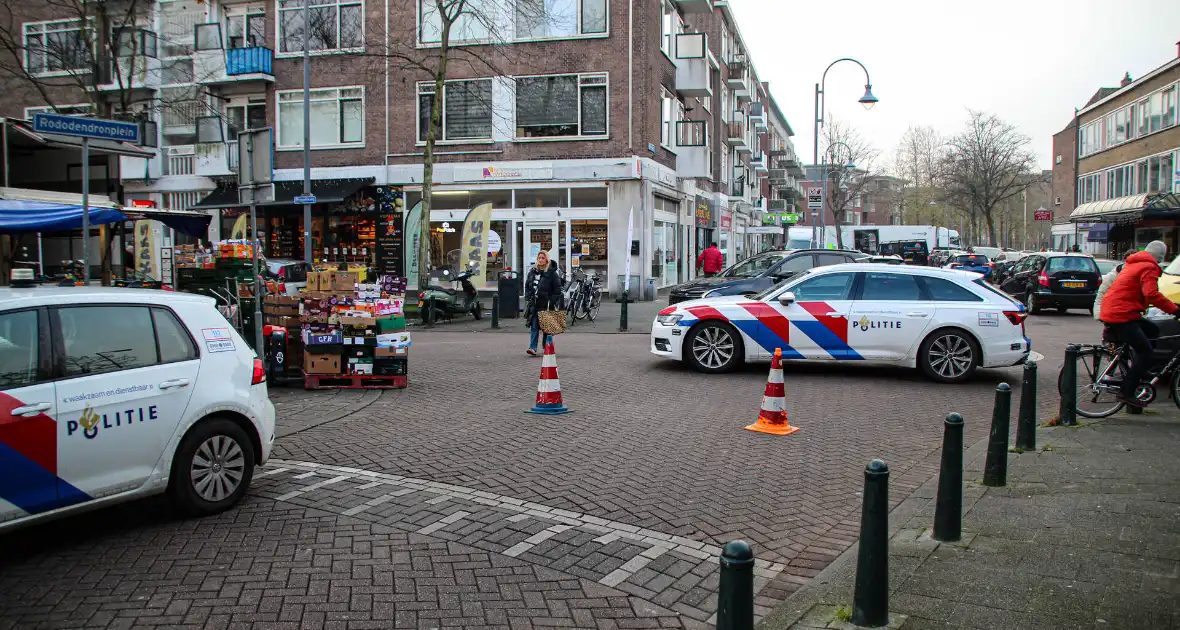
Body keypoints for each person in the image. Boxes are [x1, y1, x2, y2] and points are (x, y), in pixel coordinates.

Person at [1098, 241, 1180, 407]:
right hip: (1122, 314)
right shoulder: (1149, 267)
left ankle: (1141, 368)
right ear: (1160, 257)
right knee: (1146, 352)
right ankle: (1126, 392)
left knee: (1153, 330)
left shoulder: (1134, 263)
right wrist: (1175, 310)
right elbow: (1151, 294)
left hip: (1116, 310)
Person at [524, 250, 563, 356]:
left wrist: (551, 301)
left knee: (547, 328)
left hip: (546, 304)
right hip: (535, 304)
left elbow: (557, 290)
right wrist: (528, 296)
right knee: (534, 326)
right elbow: (527, 285)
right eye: (539, 258)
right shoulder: (533, 271)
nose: (540, 260)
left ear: (547, 259)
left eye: (543, 258)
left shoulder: (552, 274)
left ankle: (547, 346)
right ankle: (532, 348)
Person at [1093, 249, 1140, 322]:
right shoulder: (1112, 276)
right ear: (1125, 261)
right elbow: (1101, 295)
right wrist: (1098, 314)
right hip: (1115, 315)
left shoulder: (1140, 276)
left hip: (1133, 314)